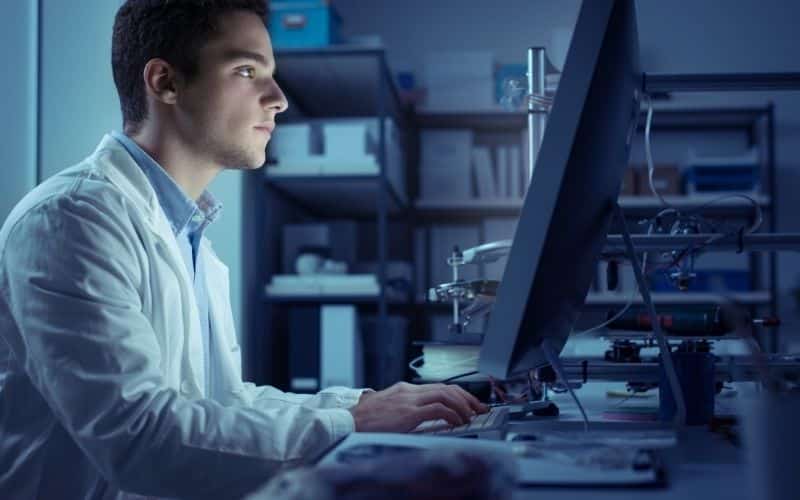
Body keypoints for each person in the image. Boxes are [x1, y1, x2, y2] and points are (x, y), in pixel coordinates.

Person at [0, 1, 486, 498]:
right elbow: (140, 438)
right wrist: (352, 422)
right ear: (165, 82)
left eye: (271, 75)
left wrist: (366, 404)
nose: (278, 99)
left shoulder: (189, 234)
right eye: (247, 70)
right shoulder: (71, 220)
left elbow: (223, 406)